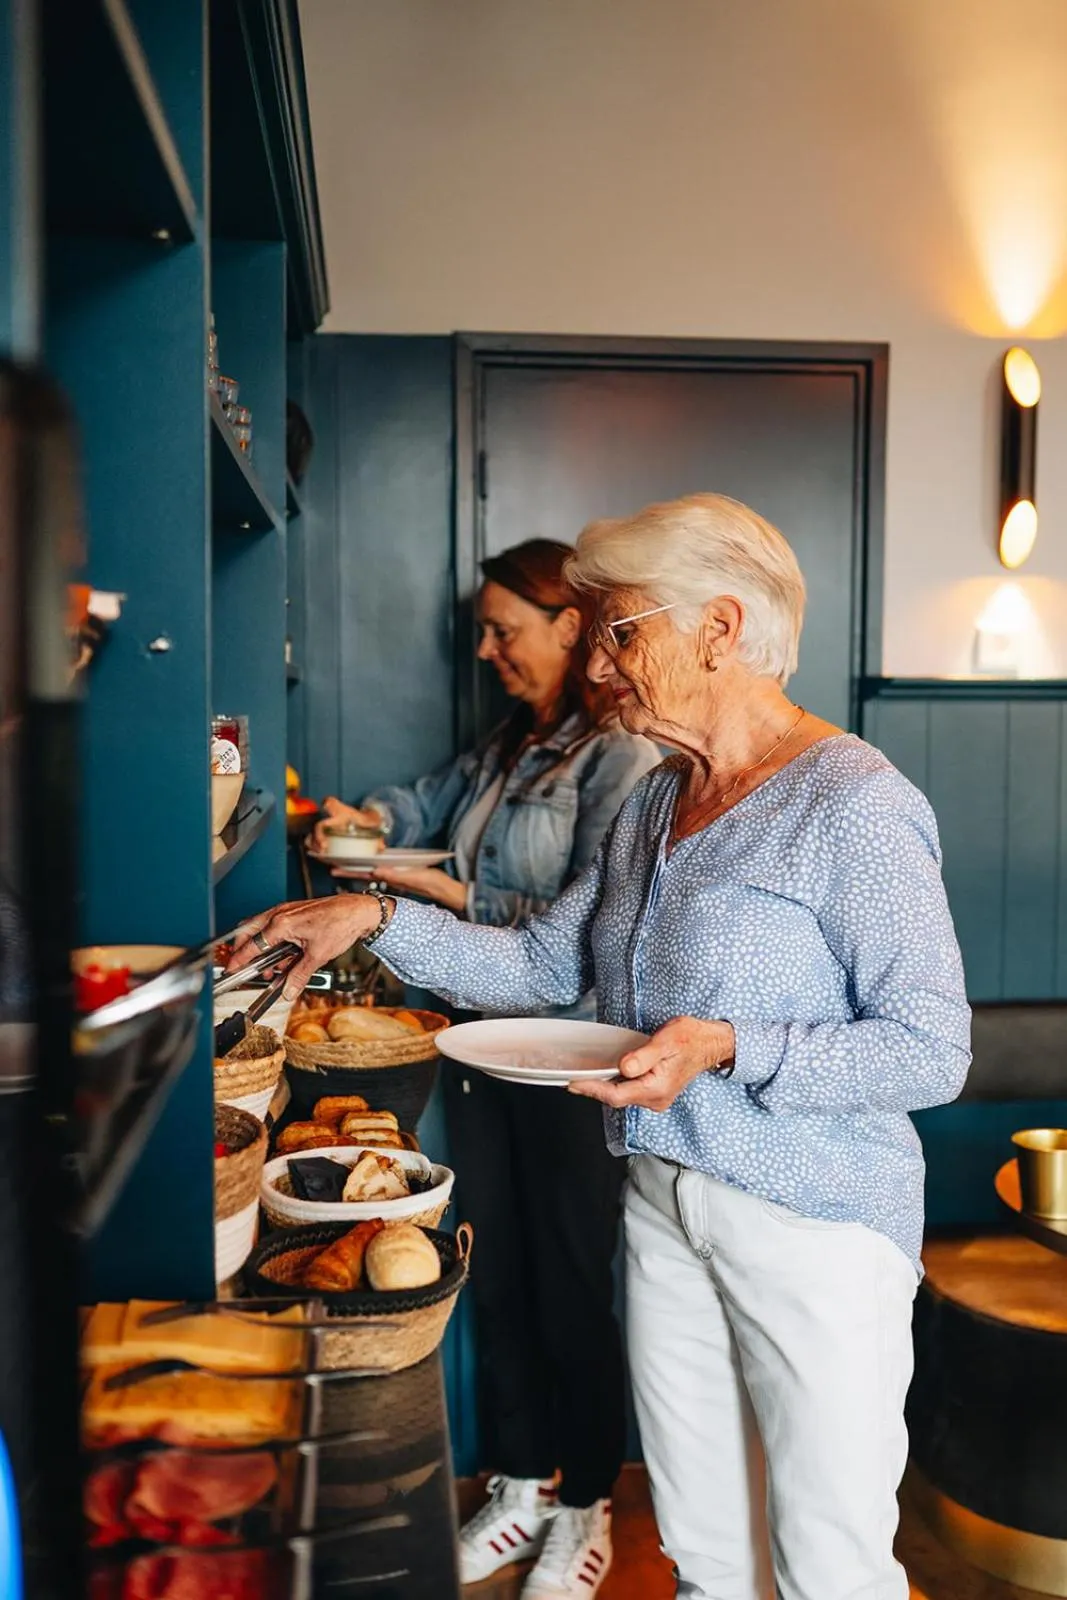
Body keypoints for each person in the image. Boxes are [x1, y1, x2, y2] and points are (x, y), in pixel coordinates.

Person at [234, 494, 971, 1600]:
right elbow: (543, 967)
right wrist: (375, 917)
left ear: (718, 629)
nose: (599, 663)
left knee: (826, 1560)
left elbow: (929, 1049)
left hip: (812, 1221)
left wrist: (729, 1044)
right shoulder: (654, 798)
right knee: (704, 1547)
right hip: (662, 1201)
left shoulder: (852, 803)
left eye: (622, 631)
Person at [312, 538, 659, 1597]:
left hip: (570, 1055)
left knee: (568, 1280)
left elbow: (591, 928)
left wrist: (444, 899)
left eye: (503, 628)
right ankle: (517, 1479)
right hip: (471, 1040)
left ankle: (585, 1499)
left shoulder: (623, 758)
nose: (485, 648)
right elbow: (421, 801)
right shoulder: (515, 740)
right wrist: (367, 826)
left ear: (570, 626)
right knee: (491, 1267)